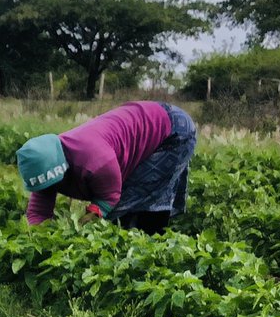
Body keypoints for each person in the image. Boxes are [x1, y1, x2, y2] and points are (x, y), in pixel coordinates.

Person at [16, 100, 197, 234]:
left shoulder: (93, 160)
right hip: (144, 121)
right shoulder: (45, 166)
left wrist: (84, 224)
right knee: (124, 210)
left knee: (135, 200)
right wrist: (38, 237)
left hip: (172, 130)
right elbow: (38, 213)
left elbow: (108, 198)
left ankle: (150, 247)